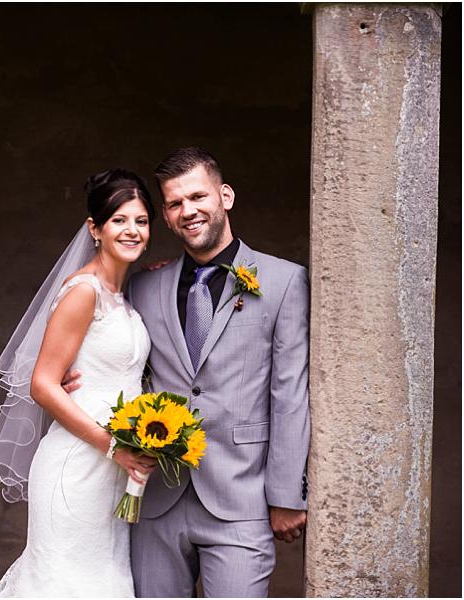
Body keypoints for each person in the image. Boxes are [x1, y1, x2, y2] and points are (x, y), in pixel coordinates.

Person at [65, 147, 311, 597]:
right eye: (175, 203)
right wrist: (74, 380)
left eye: (198, 197)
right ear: (167, 213)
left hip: (242, 500)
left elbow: (290, 394)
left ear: (226, 196)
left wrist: (286, 496)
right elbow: (116, 357)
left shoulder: (284, 282)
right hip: (156, 496)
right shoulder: (144, 285)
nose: (188, 211)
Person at [0, 168, 159, 597]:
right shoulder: (84, 291)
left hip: (113, 473)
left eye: (140, 220)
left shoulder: (123, 296)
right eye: (119, 220)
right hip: (78, 466)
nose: (131, 230)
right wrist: (114, 447)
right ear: (94, 229)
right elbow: (43, 384)